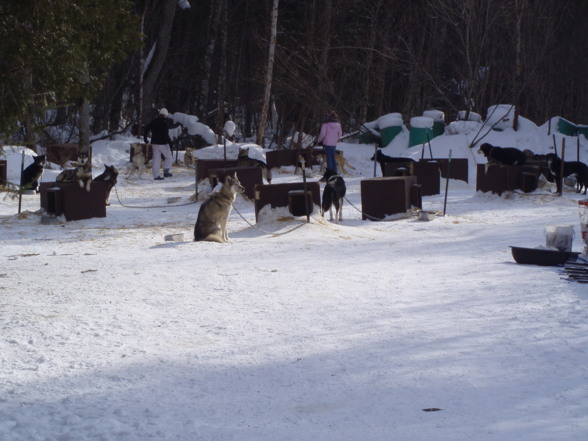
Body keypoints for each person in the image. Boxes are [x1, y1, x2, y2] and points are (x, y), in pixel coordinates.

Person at [144, 108, 173, 180]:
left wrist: (145, 138)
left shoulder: (154, 121)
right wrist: (170, 143)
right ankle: (166, 171)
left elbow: (146, 128)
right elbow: (166, 135)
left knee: (156, 159)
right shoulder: (164, 123)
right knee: (169, 157)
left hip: (154, 143)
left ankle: (156, 176)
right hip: (163, 144)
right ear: (165, 115)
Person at [316, 110, 342, 181]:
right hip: (334, 143)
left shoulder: (325, 124)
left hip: (326, 142)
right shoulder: (338, 124)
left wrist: (318, 140)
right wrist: (336, 139)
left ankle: (329, 172)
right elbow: (340, 134)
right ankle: (335, 172)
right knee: (333, 157)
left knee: (328, 157)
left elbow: (322, 133)